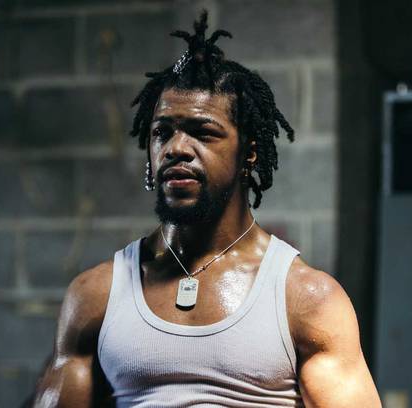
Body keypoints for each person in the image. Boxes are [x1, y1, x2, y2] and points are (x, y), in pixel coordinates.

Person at [33, 10, 382, 408]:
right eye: (162, 132)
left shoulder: (306, 298)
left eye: (202, 133)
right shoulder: (96, 294)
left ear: (249, 154)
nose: (176, 148)